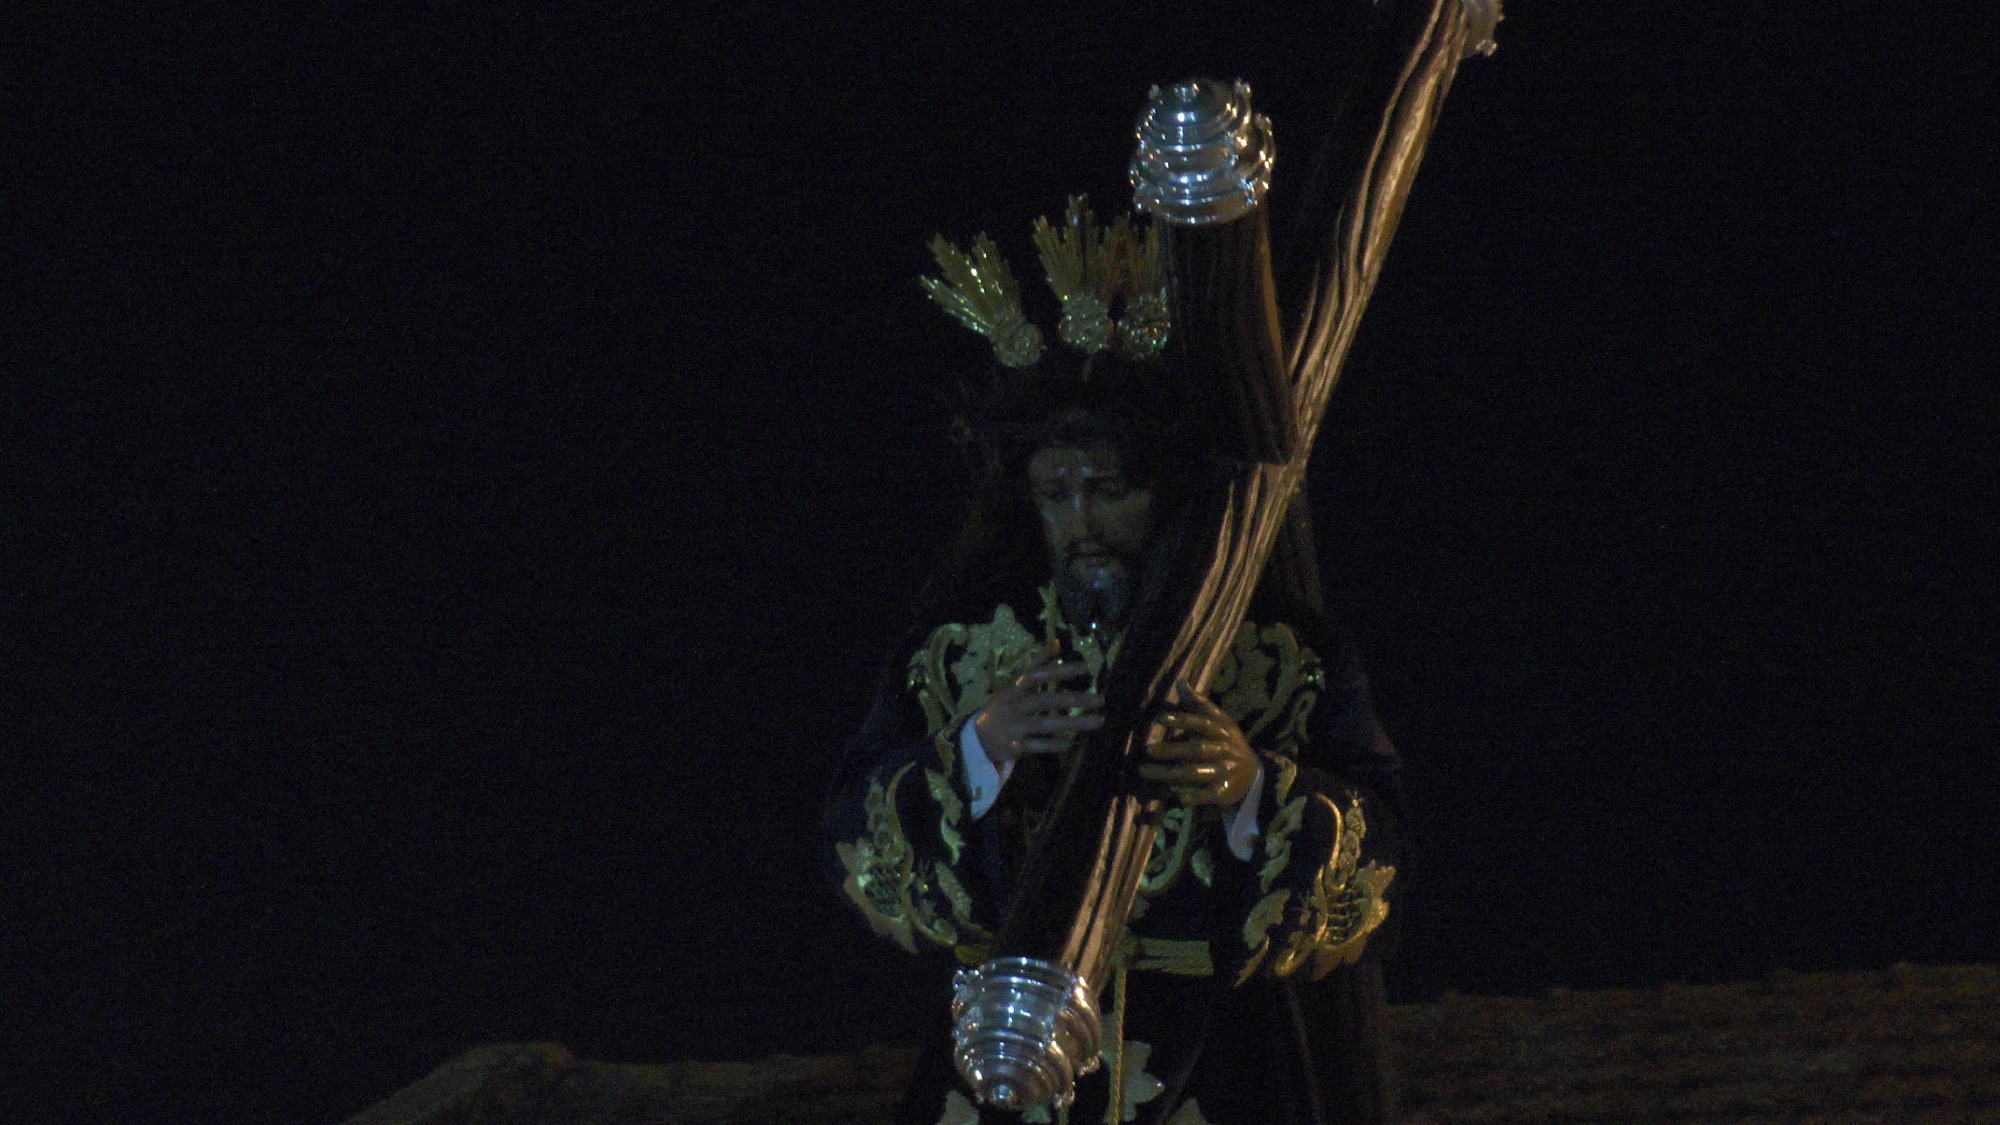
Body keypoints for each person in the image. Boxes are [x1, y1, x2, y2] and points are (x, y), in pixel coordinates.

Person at [824, 350, 1407, 1124]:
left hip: (1217, 1057)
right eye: (1056, 495)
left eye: (1108, 490)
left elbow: (1384, 844)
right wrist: (979, 750)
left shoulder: (1283, 654)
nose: (1083, 524)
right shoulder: (958, 649)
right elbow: (854, 833)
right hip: (1012, 1055)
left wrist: (1252, 787)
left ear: (1165, 491)